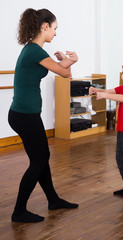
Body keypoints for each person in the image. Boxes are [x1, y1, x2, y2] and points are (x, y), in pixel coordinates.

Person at [8, 8, 78, 223]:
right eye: (54, 28)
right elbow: (65, 73)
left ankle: (53, 200)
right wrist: (71, 61)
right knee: (39, 160)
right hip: (25, 116)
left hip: (23, 114)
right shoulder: (36, 52)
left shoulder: (32, 50)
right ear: (44, 26)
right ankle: (19, 210)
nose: (55, 33)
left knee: (41, 158)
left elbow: (59, 69)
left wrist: (65, 62)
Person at [90, 61, 123, 201]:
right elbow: (109, 91)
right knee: (120, 160)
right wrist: (97, 90)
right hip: (122, 130)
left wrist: (104, 96)